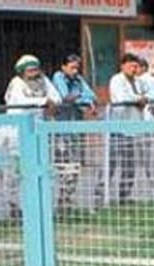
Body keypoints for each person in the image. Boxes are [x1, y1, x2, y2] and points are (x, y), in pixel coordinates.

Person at [0, 55, 61, 218]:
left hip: (37, 131)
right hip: (15, 133)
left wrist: (49, 102)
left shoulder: (44, 81)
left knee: (38, 168)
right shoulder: (16, 83)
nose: (34, 72)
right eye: (30, 70)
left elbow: (56, 98)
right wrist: (43, 102)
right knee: (16, 170)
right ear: (22, 72)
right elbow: (21, 101)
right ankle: (14, 205)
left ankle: (37, 206)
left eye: (36, 68)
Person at [50, 54, 98, 208]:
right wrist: (85, 101)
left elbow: (92, 95)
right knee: (63, 166)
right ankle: (60, 197)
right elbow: (66, 96)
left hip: (76, 129)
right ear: (63, 67)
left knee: (76, 166)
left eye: (77, 67)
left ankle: (67, 198)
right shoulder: (58, 77)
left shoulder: (78, 80)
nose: (75, 71)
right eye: (72, 67)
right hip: (60, 129)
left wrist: (85, 99)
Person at [104, 54, 146, 204]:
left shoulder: (138, 82)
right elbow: (120, 98)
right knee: (111, 163)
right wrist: (137, 99)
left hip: (132, 126)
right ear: (123, 66)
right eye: (131, 66)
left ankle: (125, 196)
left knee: (130, 164)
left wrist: (141, 100)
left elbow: (146, 96)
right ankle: (100, 195)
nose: (134, 69)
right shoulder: (116, 80)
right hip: (117, 126)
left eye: (136, 66)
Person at [135, 56, 154, 188]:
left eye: (137, 67)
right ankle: (153, 176)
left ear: (143, 68)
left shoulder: (140, 80)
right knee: (149, 150)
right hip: (150, 119)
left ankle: (151, 176)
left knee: (144, 150)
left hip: (142, 119)